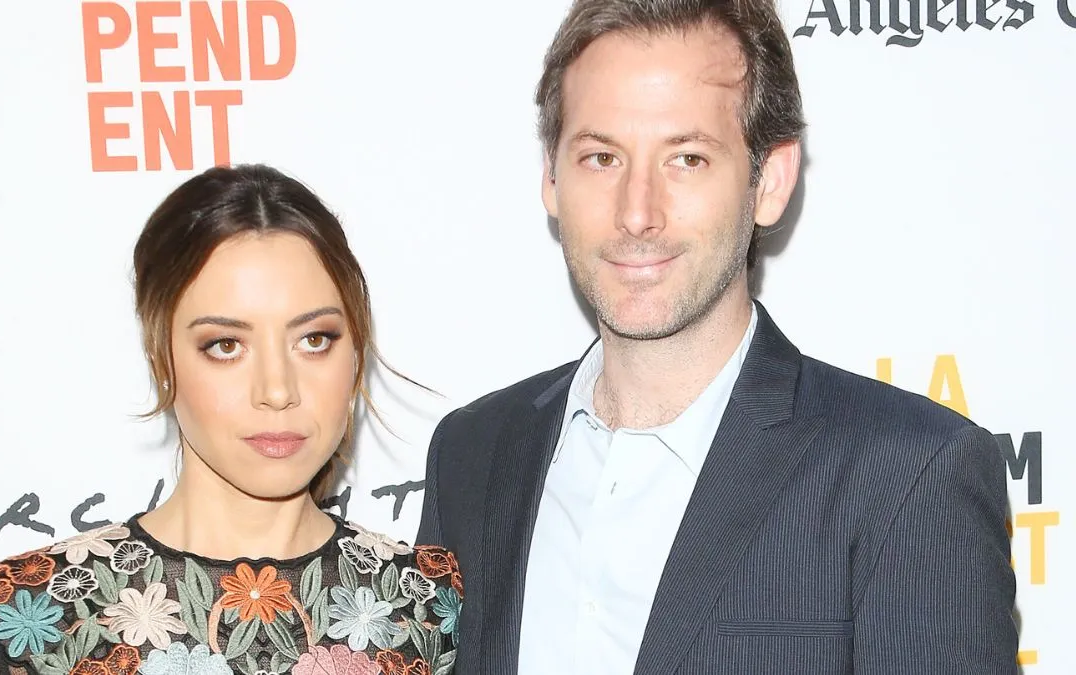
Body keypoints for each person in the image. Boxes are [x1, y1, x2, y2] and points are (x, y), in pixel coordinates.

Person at [415, 0, 1017, 673]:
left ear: (771, 181)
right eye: (601, 156)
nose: (637, 212)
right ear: (552, 178)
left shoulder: (908, 477)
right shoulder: (472, 455)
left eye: (688, 159)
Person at [0, 164, 461, 675]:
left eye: (314, 339)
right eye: (226, 345)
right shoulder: (30, 620)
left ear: (355, 355)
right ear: (161, 358)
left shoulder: (427, 612)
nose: (277, 390)